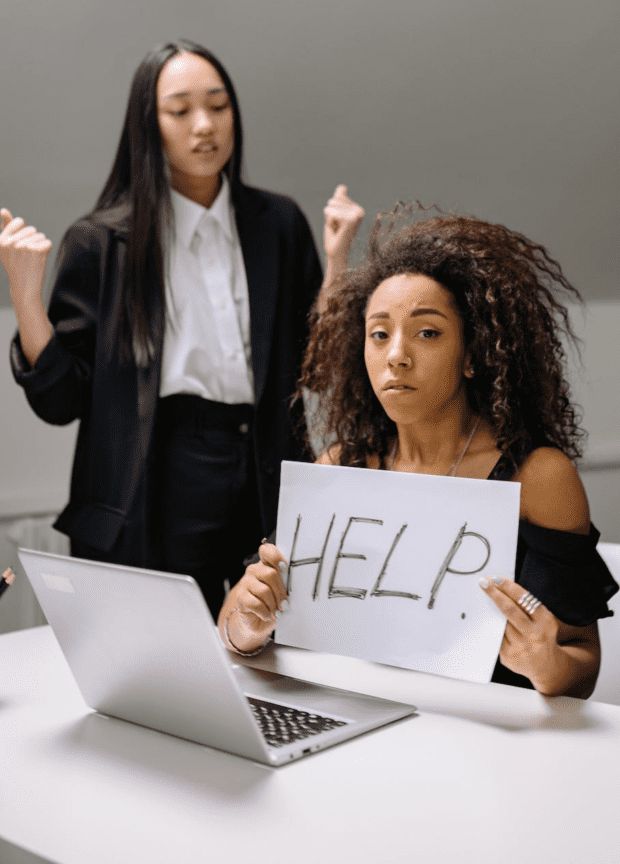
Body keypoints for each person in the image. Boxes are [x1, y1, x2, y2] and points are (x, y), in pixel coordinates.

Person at [0, 39, 364, 620]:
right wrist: (24, 293)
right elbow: (62, 400)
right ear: (149, 123)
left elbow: (315, 372)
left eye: (219, 107)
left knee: (276, 663)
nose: (205, 125)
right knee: (161, 675)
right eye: (181, 110)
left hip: (262, 470)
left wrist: (338, 261)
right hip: (153, 480)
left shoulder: (278, 224)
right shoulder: (101, 241)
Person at [218, 206, 618, 697]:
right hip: (353, 720)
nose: (396, 355)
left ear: (473, 354)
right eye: (379, 334)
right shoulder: (339, 466)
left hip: (486, 739)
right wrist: (247, 627)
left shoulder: (537, 478)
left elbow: (583, 665)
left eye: (427, 333)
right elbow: (234, 624)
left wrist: (544, 663)